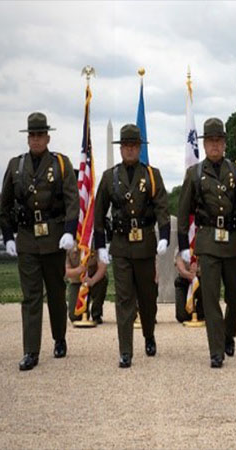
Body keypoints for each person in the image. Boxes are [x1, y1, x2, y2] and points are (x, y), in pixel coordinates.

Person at [176, 117, 236, 368]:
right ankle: (216, 351)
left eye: (218, 141)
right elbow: (183, 212)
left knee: (235, 298)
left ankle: (228, 334)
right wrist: (182, 244)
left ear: (224, 143)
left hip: (233, 241)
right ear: (204, 144)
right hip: (208, 243)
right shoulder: (195, 174)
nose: (214, 145)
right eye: (210, 141)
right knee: (210, 297)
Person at [0, 112, 79, 371]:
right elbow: (5, 205)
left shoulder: (61, 164)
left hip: (54, 237)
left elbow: (72, 201)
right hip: (26, 238)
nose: (36, 140)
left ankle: (59, 338)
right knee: (31, 296)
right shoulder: (15, 166)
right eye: (32, 135)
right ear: (28, 138)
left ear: (48, 137)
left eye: (40, 135)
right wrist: (8, 235)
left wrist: (69, 231)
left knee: (56, 292)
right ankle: (31, 351)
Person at [91, 123, 170, 368]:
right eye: (125, 146)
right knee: (124, 299)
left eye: (134, 146)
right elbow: (99, 212)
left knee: (147, 298)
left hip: (145, 243)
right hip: (121, 245)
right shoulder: (109, 177)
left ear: (139, 148)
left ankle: (149, 334)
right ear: (121, 148)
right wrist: (101, 245)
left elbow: (162, 209)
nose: (129, 150)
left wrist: (165, 235)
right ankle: (125, 350)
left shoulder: (152, 175)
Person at [65, 246, 107, 325]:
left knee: (103, 281)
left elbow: (103, 267)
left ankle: (96, 313)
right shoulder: (69, 243)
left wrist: (92, 280)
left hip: (93, 279)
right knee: (75, 317)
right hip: (77, 282)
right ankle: (84, 311)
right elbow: (65, 271)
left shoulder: (95, 241)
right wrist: (78, 270)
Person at [173, 256, 204, 323]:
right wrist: (189, 275)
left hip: (201, 279)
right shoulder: (181, 247)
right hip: (184, 279)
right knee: (182, 317)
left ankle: (200, 310)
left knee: (203, 315)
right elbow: (179, 265)